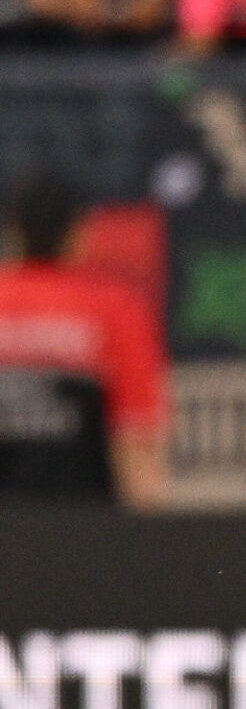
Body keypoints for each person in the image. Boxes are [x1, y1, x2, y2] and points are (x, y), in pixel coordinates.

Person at [0, 174, 168, 508]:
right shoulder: (116, 312)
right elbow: (135, 446)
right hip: (85, 541)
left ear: (15, 230)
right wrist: (155, 551)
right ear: (79, 232)